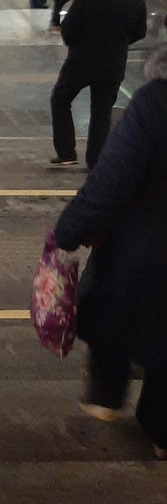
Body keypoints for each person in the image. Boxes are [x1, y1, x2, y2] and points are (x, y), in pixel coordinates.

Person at [53, 45, 167, 458]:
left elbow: (112, 178)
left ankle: (106, 394)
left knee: (113, 309)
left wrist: (69, 230)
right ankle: (162, 430)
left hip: (144, 251)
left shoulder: (155, 103)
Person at [49, 0, 148, 170]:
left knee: (61, 99)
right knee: (102, 112)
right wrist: (120, 43)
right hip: (113, 64)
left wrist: (75, 45)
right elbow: (140, 30)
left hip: (81, 61)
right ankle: (95, 162)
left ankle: (66, 152)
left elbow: (69, 28)